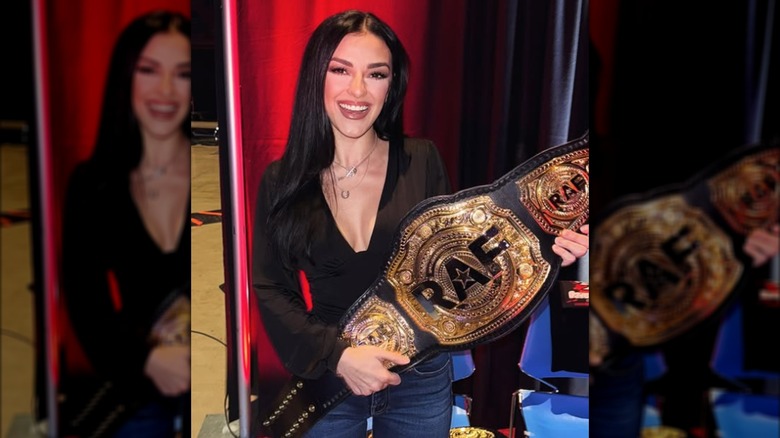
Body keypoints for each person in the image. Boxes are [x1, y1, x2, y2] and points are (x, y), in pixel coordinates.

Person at [251, 9, 589, 438]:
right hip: (330, 372)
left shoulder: (422, 160)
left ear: (392, 86)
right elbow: (271, 286)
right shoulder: (282, 180)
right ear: (317, 75)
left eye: (376, 75)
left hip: (422, 377)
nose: (357, 90)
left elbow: (464, 270)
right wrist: (338, 356)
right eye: (341, 70)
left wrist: (544, 247)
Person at [59, 10, 191, 438]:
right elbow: (84, 299)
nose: (166, 91)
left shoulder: (220, 176)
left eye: (183, 74)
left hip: (208, 375)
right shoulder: (94, 184)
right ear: (126, 79)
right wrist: (147, 360)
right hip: (134, 378)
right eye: (149, 71)